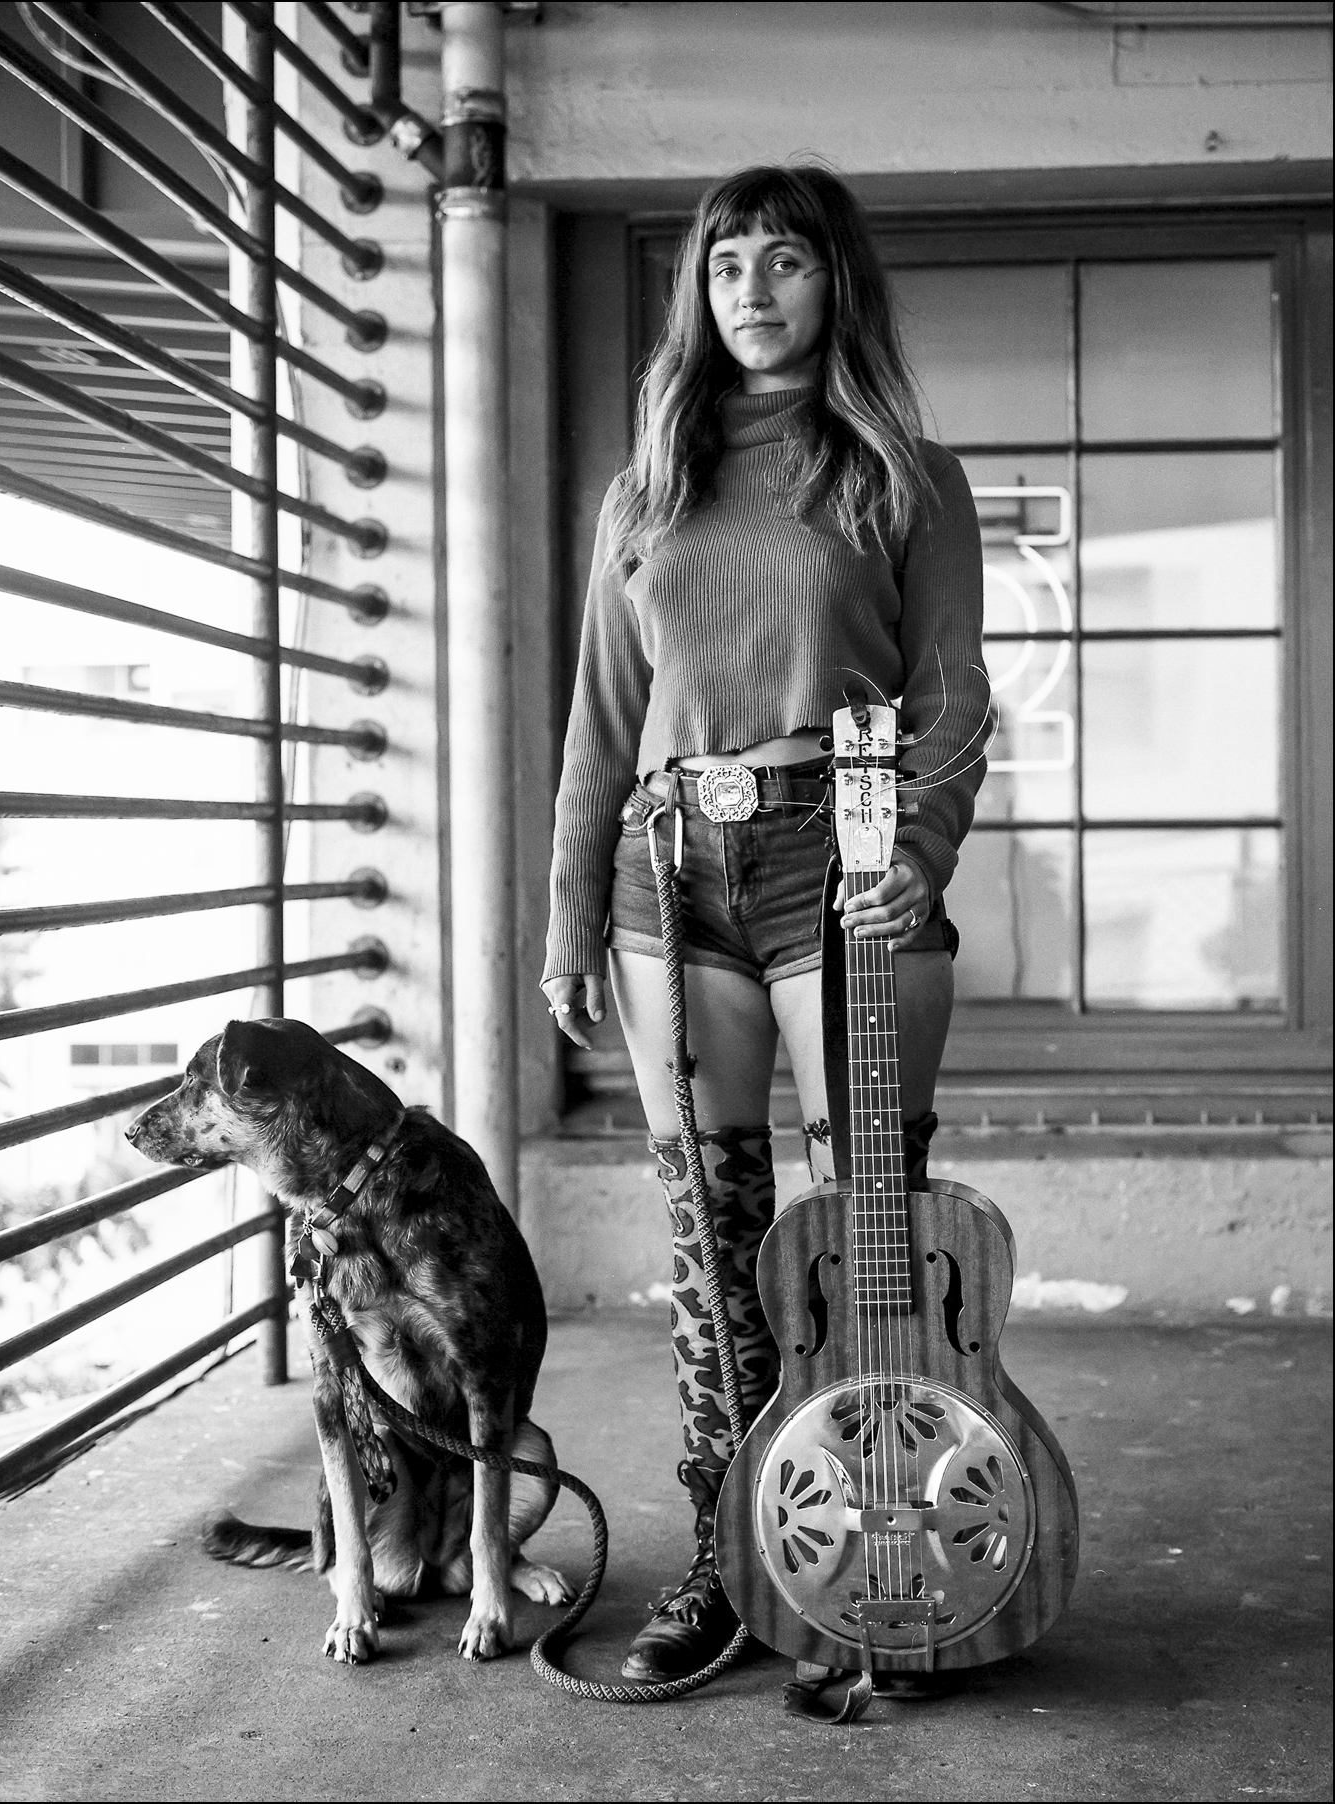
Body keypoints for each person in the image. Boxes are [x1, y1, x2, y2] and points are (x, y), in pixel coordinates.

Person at [540, 164, 988, 1682]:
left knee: (861, 1228)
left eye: (783, 260)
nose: (749, 287)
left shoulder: (904, 473)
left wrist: (921, 846)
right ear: (698, 291)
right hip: (669, 875)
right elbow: (602, 728)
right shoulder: (643, 489)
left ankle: (874, 1548)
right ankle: (725, 1557)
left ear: (831, 285)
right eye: (724, 261)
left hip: (842, 854)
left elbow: (947, 691)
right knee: (711, 1248)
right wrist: (562, 918)